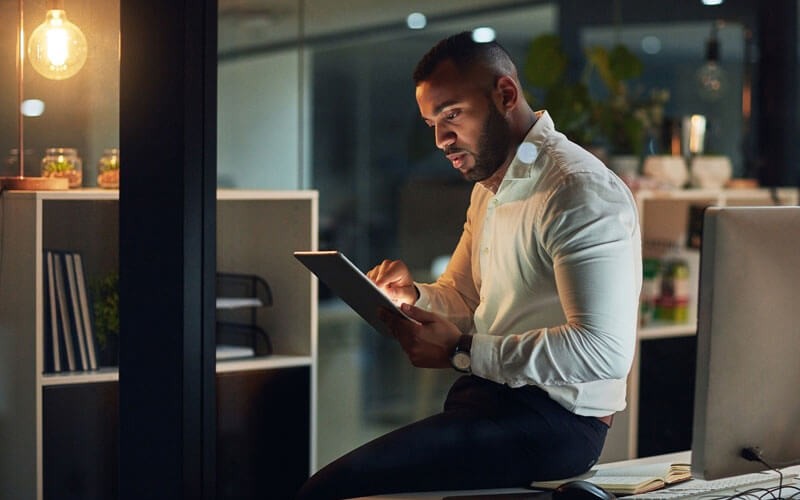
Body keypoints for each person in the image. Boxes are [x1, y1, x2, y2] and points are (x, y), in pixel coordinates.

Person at [297, 31, 642, 499]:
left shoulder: (578, 191)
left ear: (505, 95)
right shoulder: (489, 188)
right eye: (431, 123)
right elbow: (464, 299)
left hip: (555, 425)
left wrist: (462, 349)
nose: (440, 139)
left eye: (452, 115)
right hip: (488, 402)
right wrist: (412, 295)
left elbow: (602, 350)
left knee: (328, 491)